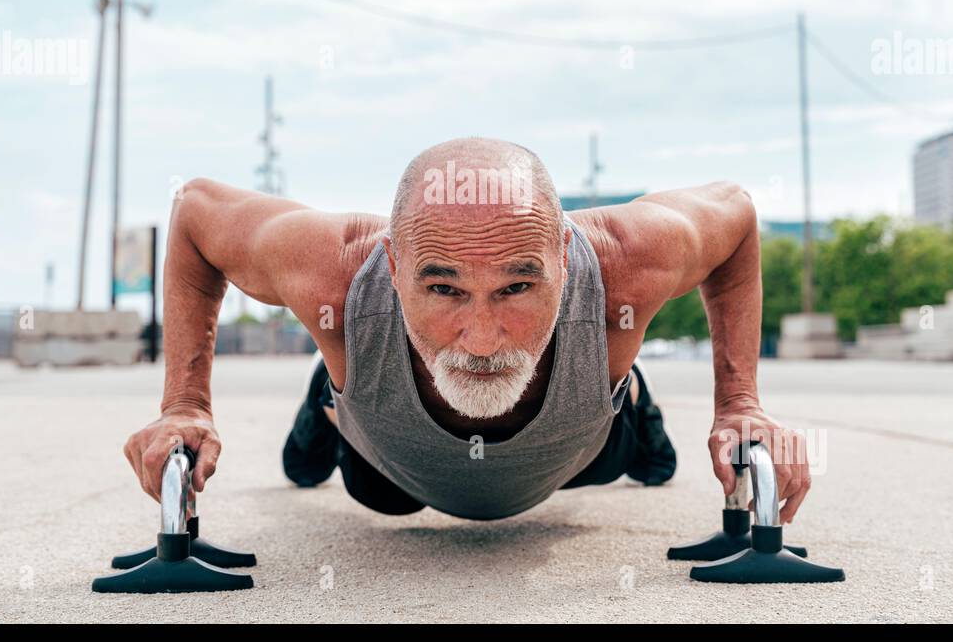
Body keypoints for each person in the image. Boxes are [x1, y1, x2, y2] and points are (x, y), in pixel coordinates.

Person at [124, 137, 811, 523]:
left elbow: (737, 215)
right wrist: (186, 403)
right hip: (391, 462)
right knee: (375, 495)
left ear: (564, 262)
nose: (483, 337)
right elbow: (195, 213)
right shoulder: (332, 271)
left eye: (517, 286)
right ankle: (328, 394)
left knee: (629, 460)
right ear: (392, 267)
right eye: (444, 288)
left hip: (580, 452)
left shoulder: (624, 263)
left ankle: (630, 394)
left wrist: (740, 403)